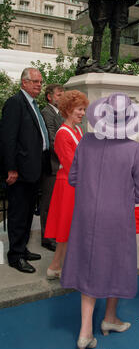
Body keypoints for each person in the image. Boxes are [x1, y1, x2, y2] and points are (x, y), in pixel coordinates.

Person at [60, 93, 139, 349]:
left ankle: (86, 330)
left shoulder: (86, 142)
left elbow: (73, 178)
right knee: (116, 263)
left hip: (87, 214)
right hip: (118, 216)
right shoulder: (134, 149)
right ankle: (109, 318)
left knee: (89, 265)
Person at [0, 68, 50, 273]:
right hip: (19, 171)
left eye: (40, 81)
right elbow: (7, 139)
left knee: (28, 212)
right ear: (24, 83)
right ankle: (16, 256)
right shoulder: (15, 103)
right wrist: (11, 169)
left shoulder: (34, 104)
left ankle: (22, 248)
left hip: (34, 169)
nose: (39, 84)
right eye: (35, 81)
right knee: (18, 213)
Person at [44, 90, 89, 279]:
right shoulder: (63, 134)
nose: (82, 113)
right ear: (69, 109)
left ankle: (59, 267)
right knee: (66, 229)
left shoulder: (78, 130)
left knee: (71, 229)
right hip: (68, 186)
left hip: (77, 184)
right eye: (79, 109)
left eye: (84, 109)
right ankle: (56, 266)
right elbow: (73, 165)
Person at [40, 84, 65, 251]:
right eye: (58, 94)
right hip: (51, 165)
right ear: (49, 96)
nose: (61, 97)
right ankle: (47, 238)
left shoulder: (60, 114)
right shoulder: (46, 113)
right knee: (48, 203)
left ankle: (55, 234)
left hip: (61, 166)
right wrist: (68, 155)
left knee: (58, 204)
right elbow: (52, 140)